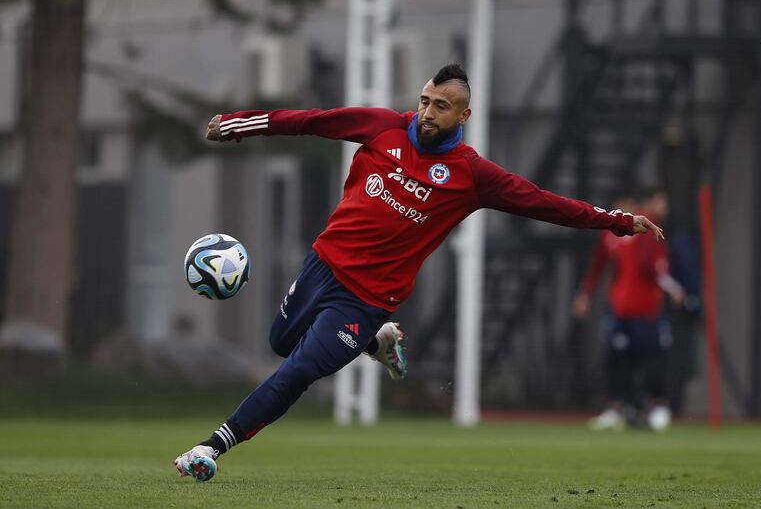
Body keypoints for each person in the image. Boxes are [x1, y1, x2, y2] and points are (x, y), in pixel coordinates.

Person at [174, 64, 664, 481]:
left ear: (463, 115)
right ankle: (376, 342)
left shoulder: (472, 175)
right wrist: (238, 125)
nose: (428, 113)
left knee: (298, 370)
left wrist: (617, 221)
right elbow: (310, 121)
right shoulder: (383, 126)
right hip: (322, 264)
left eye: (442, 106)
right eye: (425, 101)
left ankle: (210, 449)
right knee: (282, 341)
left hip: (364, 299)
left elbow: (545, 203)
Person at [574, 188, 683, 432]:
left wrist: (672, 288)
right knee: (617, 359)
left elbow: (655, 267)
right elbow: (598, 266)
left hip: (646, 308)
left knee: (651, 357)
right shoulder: (611, 233)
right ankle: (617, 409)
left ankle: (657, 407)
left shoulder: (646, 228)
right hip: (619, 307)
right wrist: (586, 295)